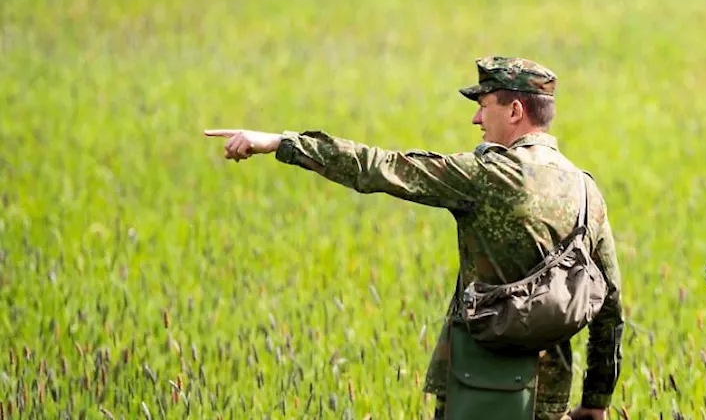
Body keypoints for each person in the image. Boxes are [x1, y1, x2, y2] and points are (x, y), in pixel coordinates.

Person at [203, 56, 624, 420]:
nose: (476, 118)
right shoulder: (587, 191)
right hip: (550, 397)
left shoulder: (488, 175)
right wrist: (596, 399)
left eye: (483, 106)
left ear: (515, 110)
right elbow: (609, 305)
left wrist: (281, 142)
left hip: (478, 386)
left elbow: (380, 167)